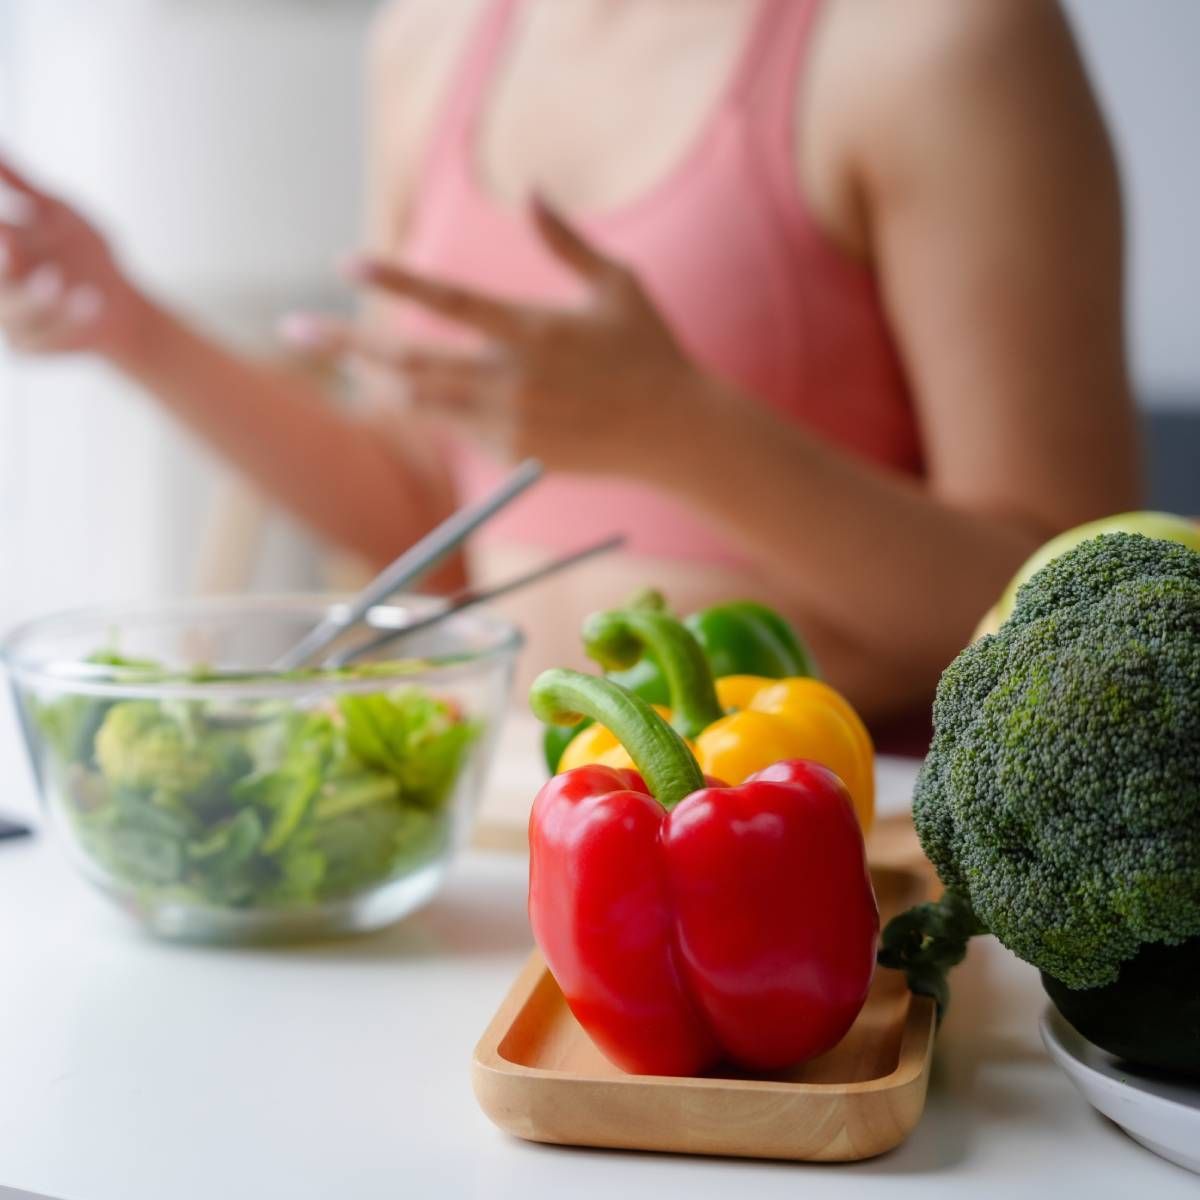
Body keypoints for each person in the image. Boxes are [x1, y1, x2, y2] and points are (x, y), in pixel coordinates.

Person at [0, 0, 1139, 729]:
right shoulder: (427, 43)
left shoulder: (945, 38)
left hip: (853, 844)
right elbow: (425, 519)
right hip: (517, 820)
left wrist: (684, 431)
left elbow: (1080, 614)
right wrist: (133, 331)